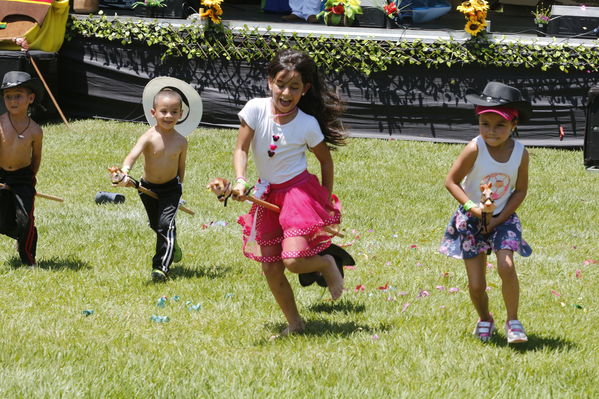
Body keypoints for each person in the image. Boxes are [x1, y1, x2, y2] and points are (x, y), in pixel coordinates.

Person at [230, 49, 352, 336]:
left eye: (294, 87)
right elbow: (241, 148)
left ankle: (327, 262)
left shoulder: (307, 124)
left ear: (305, 89)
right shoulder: (255, 109)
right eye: (281, 84)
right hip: (266, 195)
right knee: (272, 268)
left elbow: (325, 160)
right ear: (269, 81)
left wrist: (324, 200)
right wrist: (239, 179)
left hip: (298, 195)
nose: (286, 92)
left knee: (294, 260)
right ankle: (295, 323)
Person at [439, 81, 533, 344]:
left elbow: (520, 191)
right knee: (477, 284)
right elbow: (451, 181)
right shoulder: (474, 148)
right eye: (485, 124)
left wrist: (500, 219)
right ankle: (484, 319)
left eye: (500, 125)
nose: (491, 131)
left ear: (514, 125)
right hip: (471, 220)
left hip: (504, 218)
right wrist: (474, 208)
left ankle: (513, 322)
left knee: (506, 265)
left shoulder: (520, 153)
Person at [115, 87, 188, 282]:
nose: (168, 116)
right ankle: (172, 245)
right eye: (164, 111)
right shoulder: (148, 136)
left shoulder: (181, 141)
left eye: (174, 112)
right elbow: (132, 156)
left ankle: (161, 267)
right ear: (153, 113)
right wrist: (125, 172)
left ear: (181, 114)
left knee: (166, 225)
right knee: (156, 225)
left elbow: (181, 166)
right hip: (147, 188)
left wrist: (180, 187)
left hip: (171, 189)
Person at [0, 71, 43, 267]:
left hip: (23, 176)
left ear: (30, 98)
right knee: (2, 219)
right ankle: (19, 234)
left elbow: (36, 158)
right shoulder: (0, 123)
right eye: (8, 96)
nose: (13, 101)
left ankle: (28, 260)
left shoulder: (35, 130)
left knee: (25, 219)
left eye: (18, 95)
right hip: (1, 173)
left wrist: (28, 180)